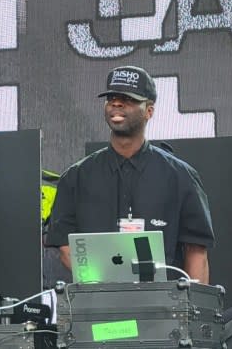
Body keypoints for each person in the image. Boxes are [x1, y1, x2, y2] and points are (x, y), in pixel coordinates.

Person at [45, 66, 214, 283]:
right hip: (99, 305)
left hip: (163, 307)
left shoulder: (181, 177)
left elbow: (196, 251)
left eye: (128, 99)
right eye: (111, 98)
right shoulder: (76, 177)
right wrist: (106, 284)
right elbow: (66, 248)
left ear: (149, 111)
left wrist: (189, 310)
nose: (116, 103)